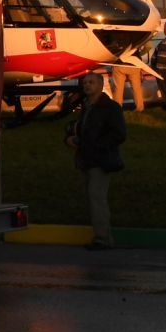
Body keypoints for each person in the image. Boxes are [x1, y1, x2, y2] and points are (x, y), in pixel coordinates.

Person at [65, 70, 127, 250]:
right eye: (85, 83)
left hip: (100, 160)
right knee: (94, 198)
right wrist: (73, 139)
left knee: (97, 198)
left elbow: (119, 134)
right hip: (87, 159)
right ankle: (102, 236)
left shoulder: (111, 108)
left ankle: (103, 239)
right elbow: (82, 130)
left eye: (91, 82)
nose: (86, 85)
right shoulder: (86, 107)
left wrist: (96, 144)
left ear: (101, 85)